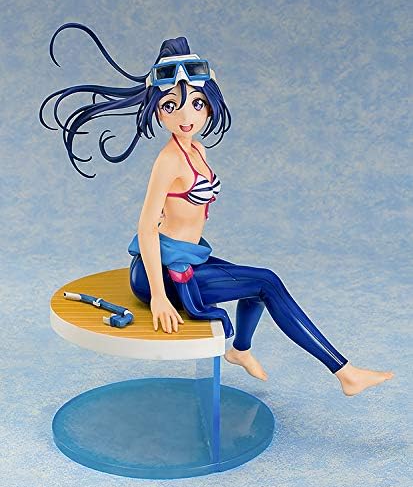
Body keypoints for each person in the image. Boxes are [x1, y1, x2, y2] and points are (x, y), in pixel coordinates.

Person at [40, 23, 394, 396]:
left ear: (210, 103)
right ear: (157, 111)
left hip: (188, 257)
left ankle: (240, 351)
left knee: (258, 286)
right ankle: (345, 373)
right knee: (267, 282)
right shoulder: (168, 161)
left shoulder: (198, 150)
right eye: (170, 106)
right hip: (158, 273)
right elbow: (145, 227)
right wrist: (159, 296)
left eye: (196, 103)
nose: (185, 117)